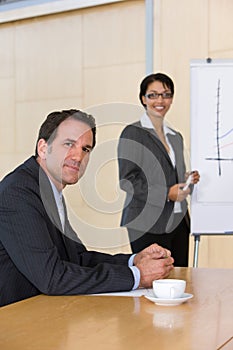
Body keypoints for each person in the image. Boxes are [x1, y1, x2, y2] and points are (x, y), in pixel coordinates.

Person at [0, 109, 174, 307]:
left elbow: (76, 258)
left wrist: (134, 261)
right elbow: (52, 278)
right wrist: (137, 276)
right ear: (43, 148)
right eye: (69, 144)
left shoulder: (46, 189)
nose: (78, 156)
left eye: (86, 149)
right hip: (13, 323)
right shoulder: (18, 193)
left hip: (40, 314)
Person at [118, 73, 200, 266]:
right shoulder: (133, 133)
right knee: (154, 282)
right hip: (147, 222)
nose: (160, 100)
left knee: (180, 280)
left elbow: (172, 176)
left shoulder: (175, 137)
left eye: (166, 94)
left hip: (179, 221)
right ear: (143, 99)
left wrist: (188, 179)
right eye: (153, 95)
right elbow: (128, 180)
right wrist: (166, 194)